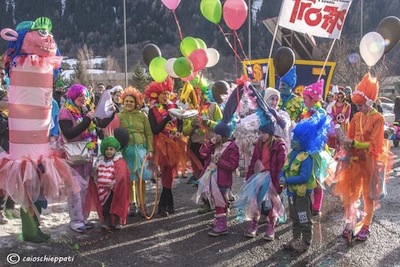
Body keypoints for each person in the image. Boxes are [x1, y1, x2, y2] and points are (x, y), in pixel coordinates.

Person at [334, 73, 393, 241]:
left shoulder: (378, 118)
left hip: (370, 161)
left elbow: (375, 144)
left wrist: (355, 144)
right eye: (357, 105)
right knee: (351, 193)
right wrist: (344, 142)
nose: (358, 109)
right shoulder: (357, 116)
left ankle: (366, 226)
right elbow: (350, 136)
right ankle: (350, 224)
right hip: (354, 160)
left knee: (368, 195)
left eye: (360, 105)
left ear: (369, 102)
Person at [59, 84, 115, 232]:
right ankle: (76, 221)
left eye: (85, 96)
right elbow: (68, 134)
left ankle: (83, 218)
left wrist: (111, 114)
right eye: (80, 96)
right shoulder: (65, 112)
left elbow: (100, 124)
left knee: (84, 188)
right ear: (72, 97)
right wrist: (86, 121)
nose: (84, 99)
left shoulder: (85, 110)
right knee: (75, 190)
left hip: (86, 155)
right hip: (72, 157)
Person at [280, 110, 330, 251]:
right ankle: (296, 239)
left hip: (302, 195)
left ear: (304, 141)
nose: (293, 139)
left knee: (304, 218)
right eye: (294, 137)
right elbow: (284, 168)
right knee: (294, 217)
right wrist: (281, 176)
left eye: (296, 138)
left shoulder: (306, 157)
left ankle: (306, 242)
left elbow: (304, 177)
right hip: (291, 193)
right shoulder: (292, 154)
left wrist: (287, 180)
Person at [144, 77, 187, 217]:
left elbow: (179, 122)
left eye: (168, 93)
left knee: (172, 172)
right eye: (163, 94)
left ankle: (167, 204)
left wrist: (179, 131)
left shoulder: (174, 108)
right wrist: (166, 119)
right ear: (157, 95)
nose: (166, 96)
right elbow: (155, 129)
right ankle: (165, 205)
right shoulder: (153, 110)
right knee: (166, 172)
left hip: (174, 143)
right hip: (161, 145)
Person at [237, 125, 287, 240]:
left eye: (263, 133)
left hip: (272, 177)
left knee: (271, 202)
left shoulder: (279, 146)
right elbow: (253, 162)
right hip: (258, 176)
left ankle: (271, 225)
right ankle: (254, 222)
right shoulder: (259, 144)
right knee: (255, 200)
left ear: (270, 133)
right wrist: (249, 177)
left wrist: (279, 182)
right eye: (260, 133)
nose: (261, 135)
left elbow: (281, 165)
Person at [182, 80, 223, 214]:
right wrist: (192, 124)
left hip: (211, 146)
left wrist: (207, 122)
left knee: (213, 175)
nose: (196, 95)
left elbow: (222, 126)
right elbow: (185, 132)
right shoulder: (189, 111)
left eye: (198, 92)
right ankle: (206, 202)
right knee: (200, 176)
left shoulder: (213, 106)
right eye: (193, 93)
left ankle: (219, 201)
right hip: (195, 147)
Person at [196, 125, 239, 237]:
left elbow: (232, 165)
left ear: (223, 135)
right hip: (211, 176)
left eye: (217, 134)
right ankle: (219, 220)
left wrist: (219, 161)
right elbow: (203, 154)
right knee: (217, 200)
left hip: (222, 179)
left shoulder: (232, 147)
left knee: (220, 201)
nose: (214, 136)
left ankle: (222, 225)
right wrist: (210, 143)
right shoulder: (215, 145)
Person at [117, 87, 154, 217]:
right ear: (123, 101)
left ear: (136, 103)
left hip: (140, 150)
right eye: (126, 101)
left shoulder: (142, 116)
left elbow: (149, 133)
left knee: (141, 179)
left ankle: (142, 203)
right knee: (129, 179)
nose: (128, 103)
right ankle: (132, 203)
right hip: (126, 152)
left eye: (131, 102)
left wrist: (150, 150)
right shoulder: (119, 116)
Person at [299, 80, 331, 218]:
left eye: (305, 98)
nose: (303, 100)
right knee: (306, 177)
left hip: (316, 151)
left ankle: (317, 206)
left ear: (313, 99)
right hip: (305, 150)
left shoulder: (321, 112)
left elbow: (321, 131)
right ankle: (307, 203)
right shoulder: (306, 112)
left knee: (317, 179)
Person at [92, 136, 130, 230]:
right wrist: (96, 178)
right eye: (107, 149)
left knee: (116, 204)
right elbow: (95, 172)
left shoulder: (118, 161)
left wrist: (115, 183)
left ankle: (117, 220)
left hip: (114, 189)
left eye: (111, 149)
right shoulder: (100, 160)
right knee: (105, 206)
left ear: (115, 149)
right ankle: (106, 220)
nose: (109, 151)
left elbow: (121, 175)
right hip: (102, 188)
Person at [0, 90, 20, 224]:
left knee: (10, 182)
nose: (9, 102)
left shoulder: (6, 114)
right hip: (1, 152)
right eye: (6, 99)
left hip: (8, 151)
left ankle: (10, 207)